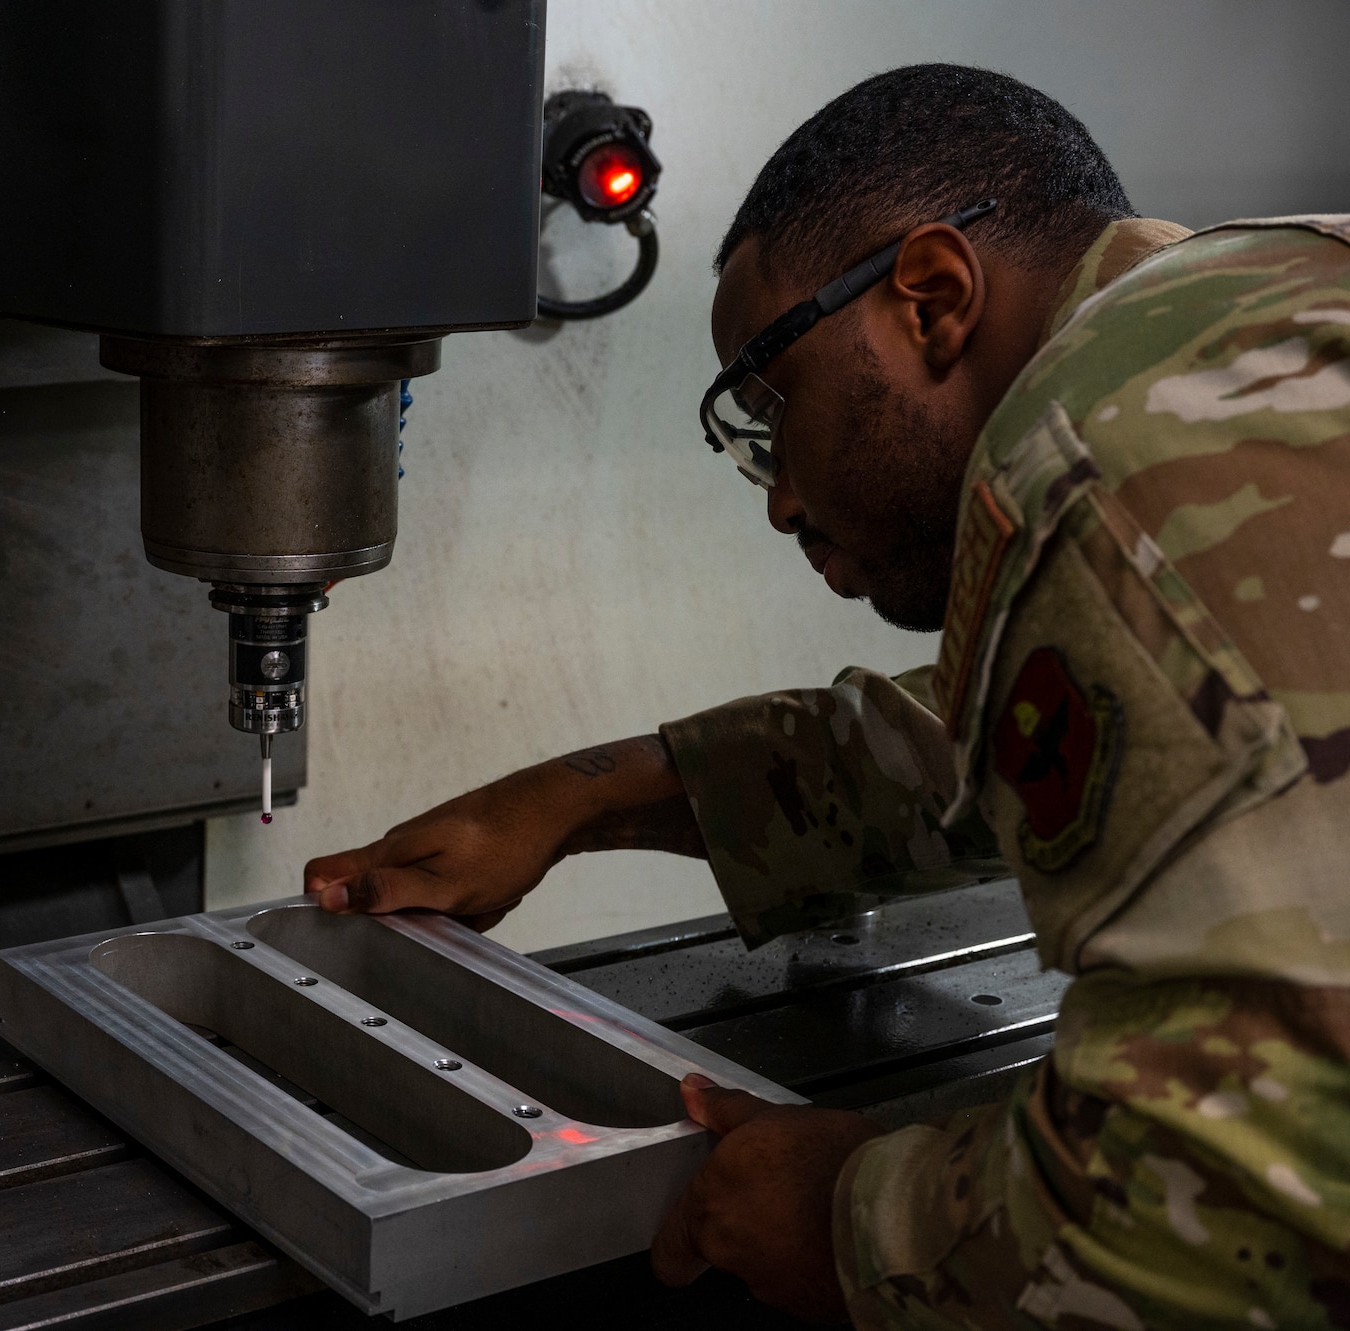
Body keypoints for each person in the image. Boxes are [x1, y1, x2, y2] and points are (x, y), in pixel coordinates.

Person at [304, 64, 1350, 1328]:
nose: (779, 496)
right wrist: (578, 798)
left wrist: (849, 1217)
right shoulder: (1255, 314)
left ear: (928, 298)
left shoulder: (1108, 453)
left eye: (768, 408)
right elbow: (1026, 737)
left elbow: (1238, 1193)